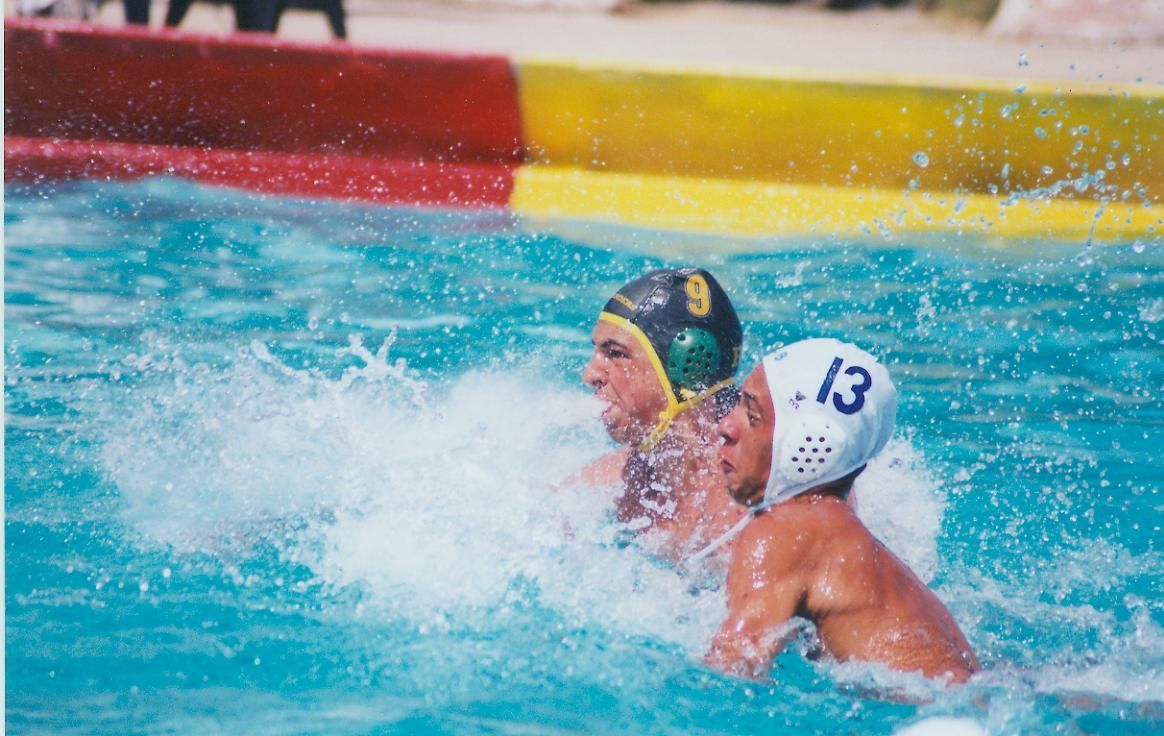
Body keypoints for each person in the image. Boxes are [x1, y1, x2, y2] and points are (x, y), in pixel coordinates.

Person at [705, 338, 979, 683]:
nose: (725, 427)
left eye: (752, 415)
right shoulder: (841, 537)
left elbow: (729, 671)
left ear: (806, 448)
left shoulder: (782, 532)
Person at [574, 268, 746, 563]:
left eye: (615, 354)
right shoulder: (620, 480)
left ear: (687, 367)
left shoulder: (747, 515)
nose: (589, 375)